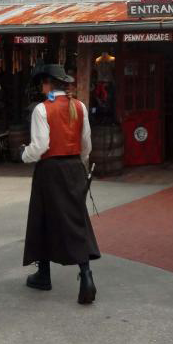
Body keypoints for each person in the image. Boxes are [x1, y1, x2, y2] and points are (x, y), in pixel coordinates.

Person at [21, 64, 100, 304]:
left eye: (42, 83)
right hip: (74, 167)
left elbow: (40, 146)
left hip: (50, 170)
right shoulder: (79, 106)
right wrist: (79, 163)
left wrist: (24, 155)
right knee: (75, 220)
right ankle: (85, 275)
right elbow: (86, 144)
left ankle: (44, 275)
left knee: (42, 219)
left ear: (47, 84)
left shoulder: (42, 109)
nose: (41, 87)